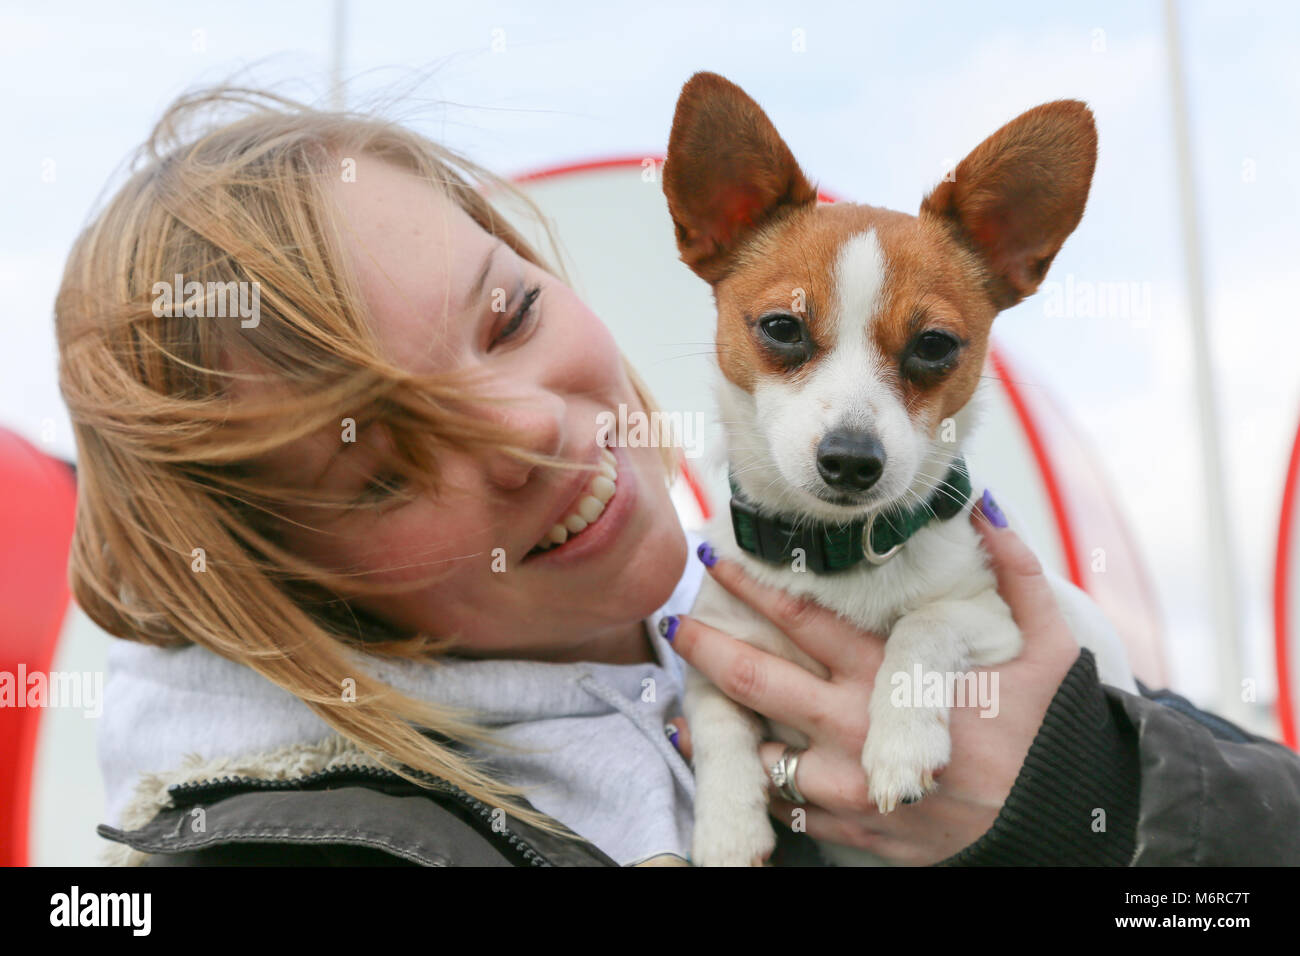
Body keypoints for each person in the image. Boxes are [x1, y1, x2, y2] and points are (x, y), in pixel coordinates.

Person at [60, 86, 1300, 867]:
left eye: (505, 317)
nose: (532, 436)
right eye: (381, 472)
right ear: (275, 589)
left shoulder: (761, 630)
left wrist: (1100, 790)